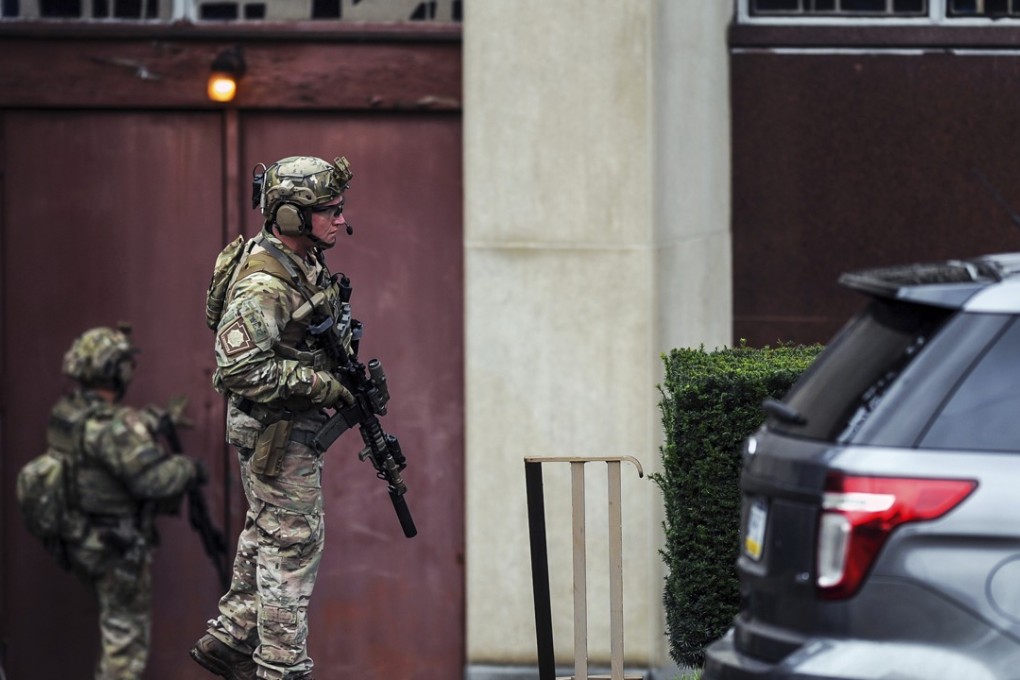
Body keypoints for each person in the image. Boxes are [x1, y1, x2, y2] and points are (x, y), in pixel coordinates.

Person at [191, 155, 359, 680]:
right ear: (290, 217)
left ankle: (232, 636)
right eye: (328, 210)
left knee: (268, 532)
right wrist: (325, 384)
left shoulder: (303, 261)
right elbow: (239, 368)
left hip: (291, 429)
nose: (340, 219)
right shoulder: (262, 285)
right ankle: (281, 667)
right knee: (293, 543)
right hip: (275, 432)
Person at [57, 323, 200, 680]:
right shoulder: (114, 426)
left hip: (84, 539)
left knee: (115, 636)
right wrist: (186, 468)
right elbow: (152, 480)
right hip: (117, 549)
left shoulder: (69, 414)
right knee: (125, 651)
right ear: (113, 369)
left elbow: (108, 442)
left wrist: (154, 421)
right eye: (126, 364)